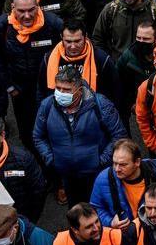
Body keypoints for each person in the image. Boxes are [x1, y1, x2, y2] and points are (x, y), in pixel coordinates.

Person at [33, 65, 127, 205]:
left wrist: (101, 160)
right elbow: (38, 136)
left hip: (98, 174)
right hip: (67, 175)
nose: (61, 93)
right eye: (58, 88)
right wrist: (52, 159)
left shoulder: (100, 104)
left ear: (79, 90)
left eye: (66, 90)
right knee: (77, 213)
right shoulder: (47, 106)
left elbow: (119, 135)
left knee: (101, 210)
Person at [89, 139, 156, 229]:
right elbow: (95, 209)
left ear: (137, 162)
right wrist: (110, 222)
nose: (117, 169)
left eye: (123, 165)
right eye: (114, 163)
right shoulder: (103, 179)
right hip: (124, 235)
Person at [40, 20, 119, 103]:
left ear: (85, 37)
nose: (73, 46)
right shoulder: (49, 59)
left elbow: (115, 91)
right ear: (61, 37)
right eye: (68, 41)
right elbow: (41, 91)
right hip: (57, 111)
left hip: (93, 110)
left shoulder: (101, 59)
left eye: (77, 41)